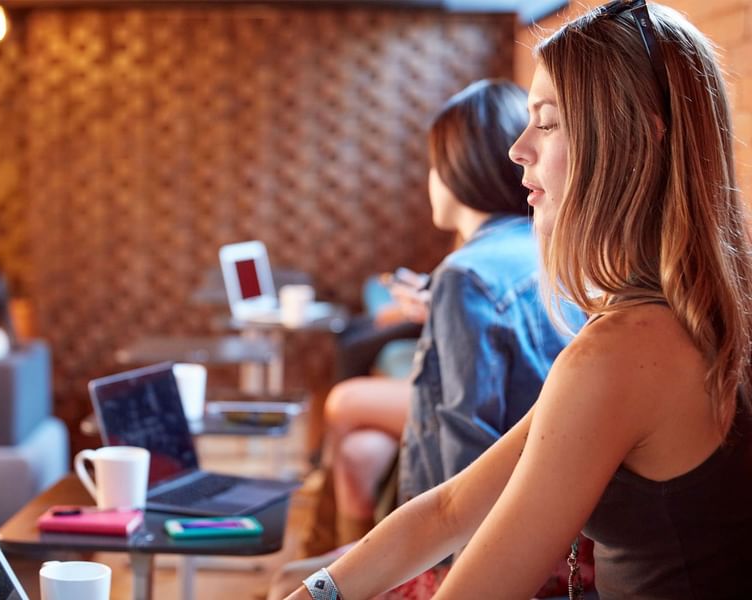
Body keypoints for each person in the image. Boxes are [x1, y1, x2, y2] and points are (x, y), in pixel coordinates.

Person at [284, 1, 752, 599]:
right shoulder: (691, 312)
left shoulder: (625, 351)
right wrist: (316, 593)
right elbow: (451, 507)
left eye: (548, 121)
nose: (518, 149)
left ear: (636, 137)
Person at [274, 78, 583, 599]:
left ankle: (328, 539)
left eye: (433, 166)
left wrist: (447, 580)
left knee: (290, 579)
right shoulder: (550, 245)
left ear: (459, 170)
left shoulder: (465, 275)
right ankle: (337, 539)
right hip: (556, 517)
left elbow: (466, 451)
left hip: (492, 536)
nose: (430, 181)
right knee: (360, 449)